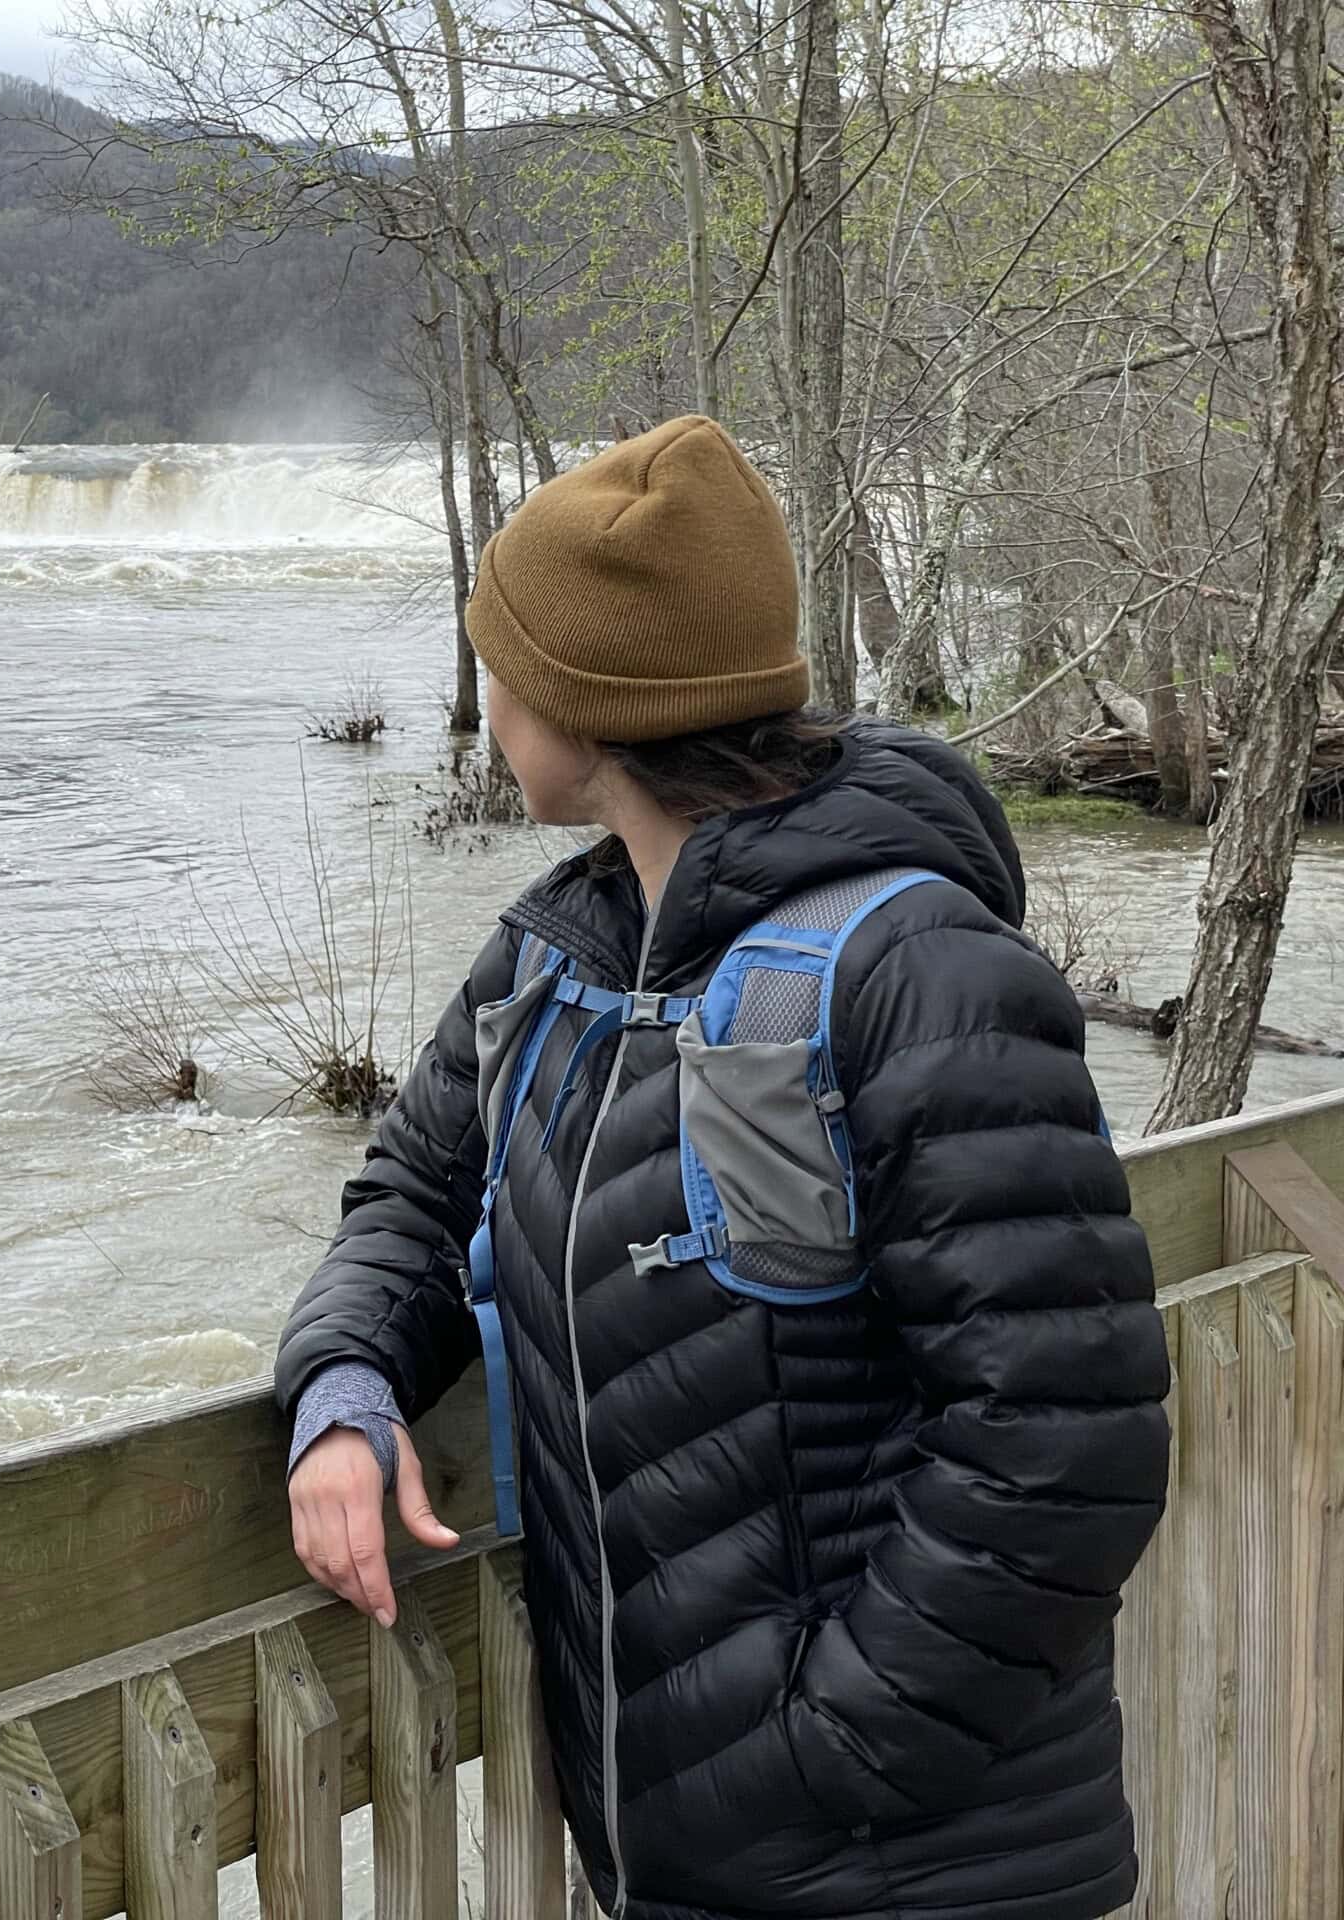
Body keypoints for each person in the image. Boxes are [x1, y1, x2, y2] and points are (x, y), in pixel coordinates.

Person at [276, 415, 1171, 1920]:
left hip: (910, 1869)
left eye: (505, 662)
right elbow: (414, 1201)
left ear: (591, 705)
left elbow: (1063, 1443)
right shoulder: (555, 960)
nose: (488, 695)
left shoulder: (915, 967)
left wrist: (821, 1755)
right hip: (692, 1860)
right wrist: (342, 1393)